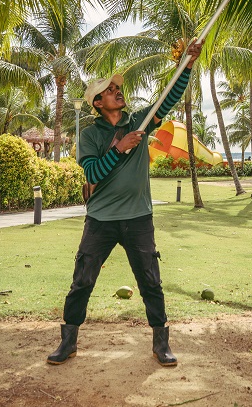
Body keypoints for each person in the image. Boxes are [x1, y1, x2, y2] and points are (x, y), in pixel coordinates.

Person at [48, 42, 202, 367]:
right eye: (110, 90)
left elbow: (168, 99)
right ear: (97, 103)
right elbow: (92, 173)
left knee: (150, 281)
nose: (117, 91)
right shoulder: (90, 135)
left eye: (117, 88)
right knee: (82, 281)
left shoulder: (139, 121)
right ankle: (68, 341)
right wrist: (120, 148)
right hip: (101, 220)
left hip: (138, 218)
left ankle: (161, 343)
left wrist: (187, 65)